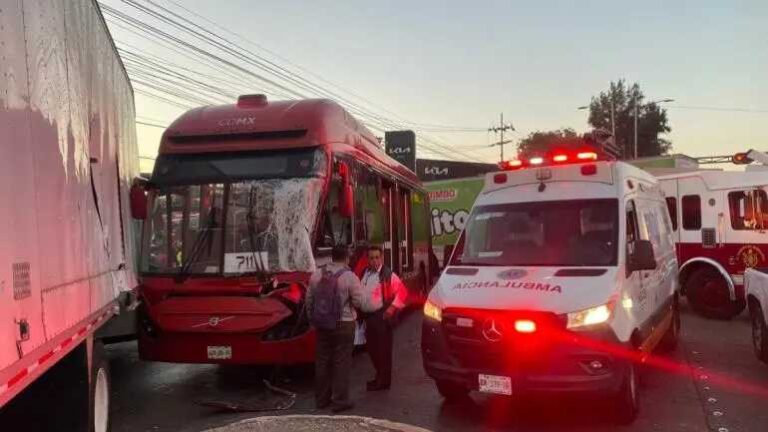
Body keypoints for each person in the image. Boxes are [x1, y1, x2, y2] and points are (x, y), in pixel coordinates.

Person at [306, 245, 364, 412]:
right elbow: (359, 302)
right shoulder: (350, 277)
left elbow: (309, 301)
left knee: (322, 361)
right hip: (344, 324)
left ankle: (322, 400)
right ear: (346, 258)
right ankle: (340, 401)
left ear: (332, 257)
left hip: (322, 324)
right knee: (341, 362)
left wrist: (313, 320)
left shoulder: (317, 275)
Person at [360, 245, 408, 391]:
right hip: (369, 318)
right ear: (368, 259)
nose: (374, 261)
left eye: (377, 257)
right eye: (371, 258)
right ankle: (379, 377)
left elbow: (403, 292)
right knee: (372, 349)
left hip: (382, 317)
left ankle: (383, 381)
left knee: (383, 351)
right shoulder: (365, 273)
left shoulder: (388, 275)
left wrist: (391, 308)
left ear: (381, 258)